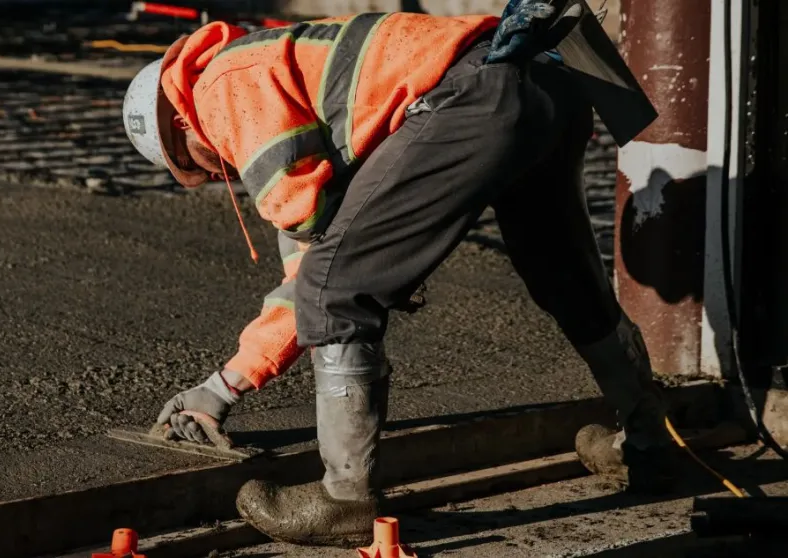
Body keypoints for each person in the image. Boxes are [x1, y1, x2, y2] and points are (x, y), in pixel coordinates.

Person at [121, 0, 677, 547]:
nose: (217, 171)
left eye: (196, 162)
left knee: (334, 292)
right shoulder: (275, 72)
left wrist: (222, 388)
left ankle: (345, 499)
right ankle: (649, 441)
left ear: (179, 122)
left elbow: (319, 275)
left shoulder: (223, 89)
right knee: (567, 279)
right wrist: (226, 387)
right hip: (544, 82)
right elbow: (310, 249)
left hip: (471, 96)